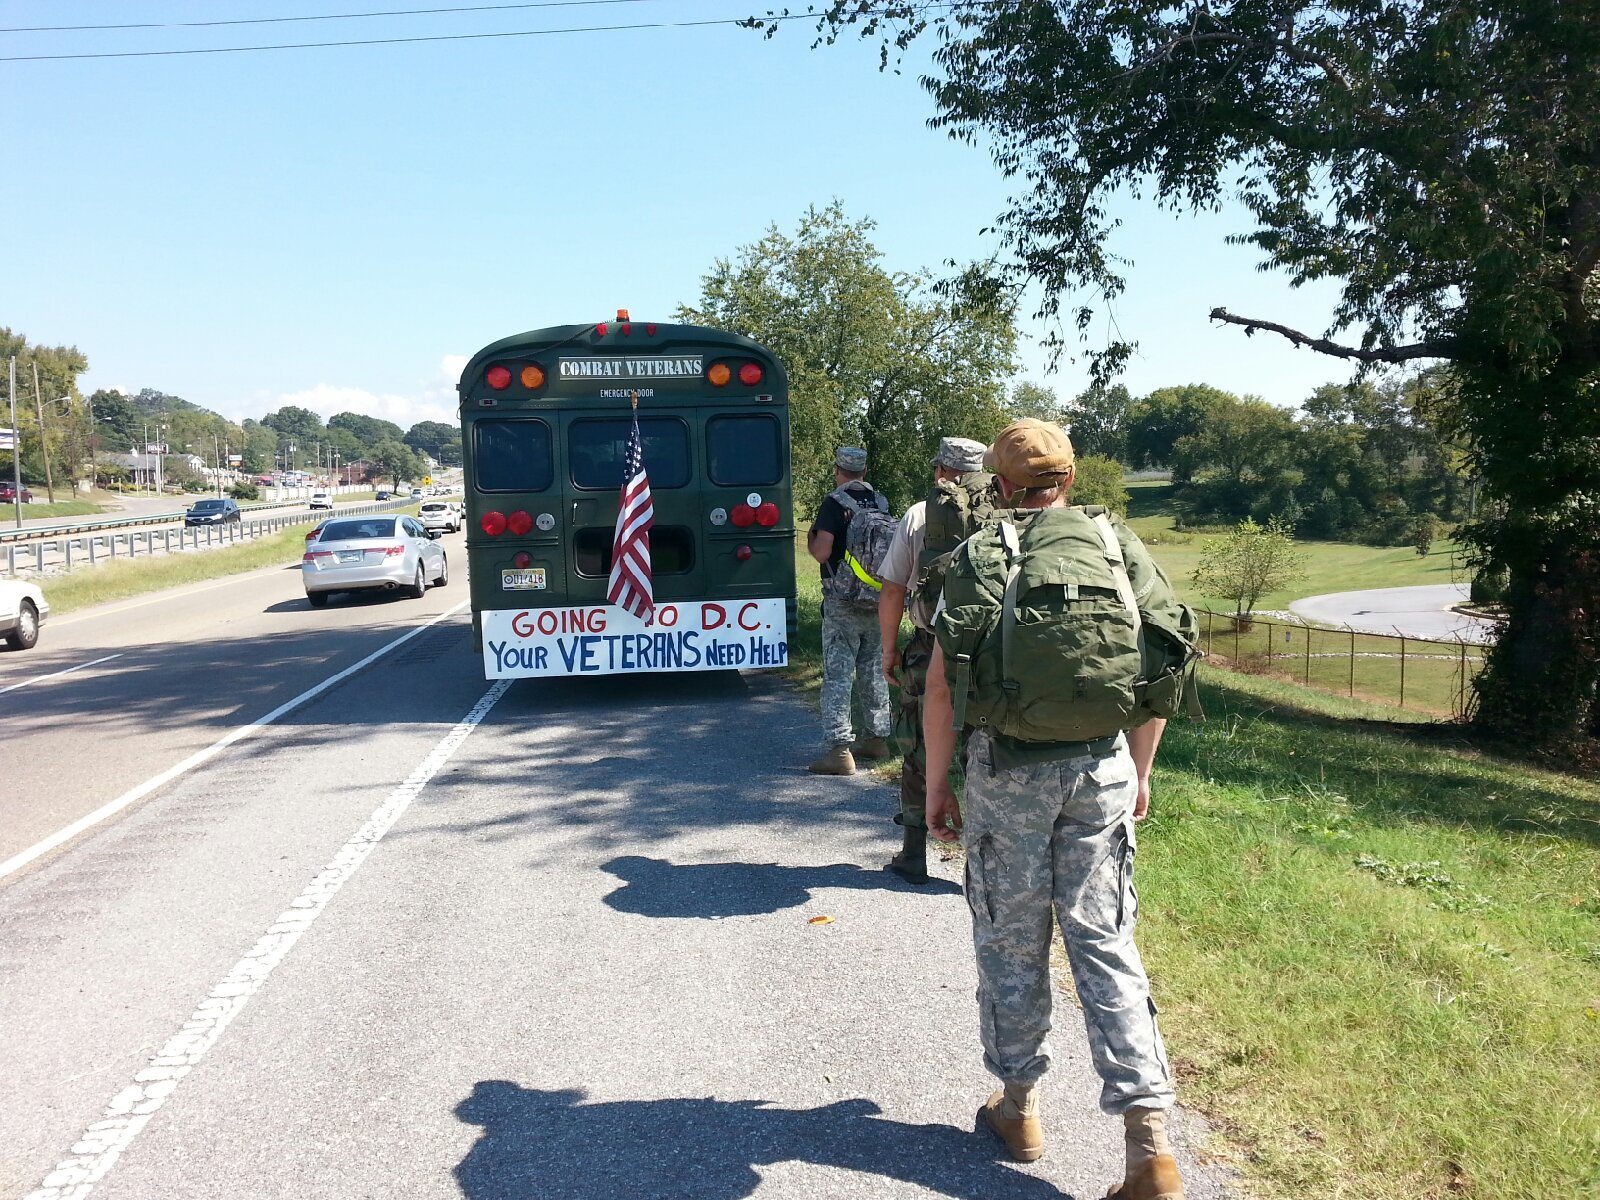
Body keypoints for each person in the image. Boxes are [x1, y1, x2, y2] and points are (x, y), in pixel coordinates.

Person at [922, 419, 1191, 1200]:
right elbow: (1160, 667)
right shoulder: (1119, 549)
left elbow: (941, 687)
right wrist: (1138, 772)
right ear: (1069, 480)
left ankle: (1019, 1106)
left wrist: (940, 786)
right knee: (1105, 940)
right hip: (1101, 766)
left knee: (1011, 942)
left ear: (999, 488)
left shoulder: (979, 556)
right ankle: (1149, 1144)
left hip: (1007, 774)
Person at [876, 436, 991, 884]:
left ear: (941, 470)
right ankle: (983, 860)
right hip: (991, 650)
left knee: (919, 750)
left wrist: (889, 648)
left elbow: (893, 588)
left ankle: (914, 853)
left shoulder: (921, 514)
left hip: (930, 645)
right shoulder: (1006, 512)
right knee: (985, 748)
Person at [806, 446, 893, 776]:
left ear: (838, 470)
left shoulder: (834, 503)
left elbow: (821, 552)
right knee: (872, 670)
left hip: (842, 602)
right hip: (876, 599)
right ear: (865, 472)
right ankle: (876, 740)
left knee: (838, 675)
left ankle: (839, 751)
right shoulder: (881, 503)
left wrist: (814, 537)